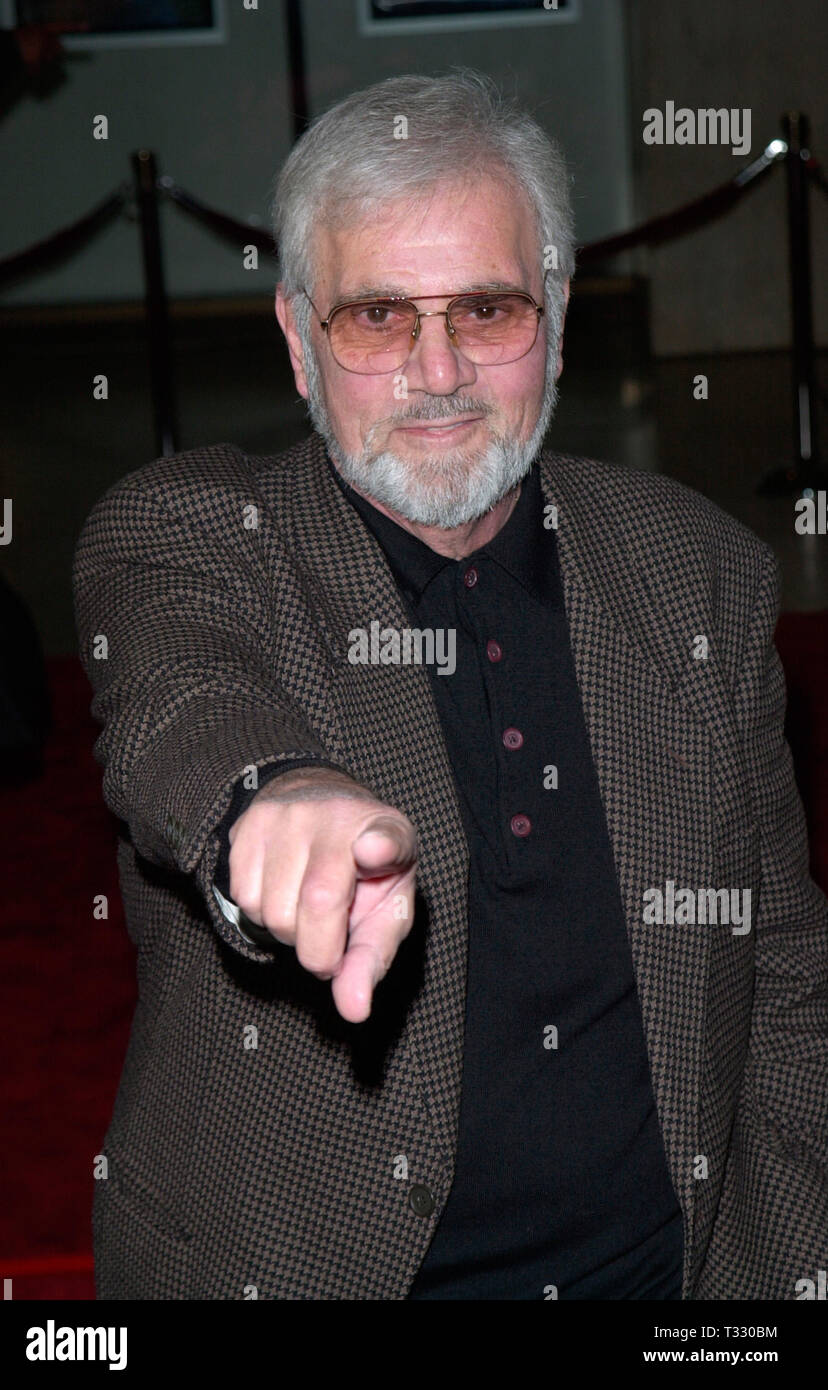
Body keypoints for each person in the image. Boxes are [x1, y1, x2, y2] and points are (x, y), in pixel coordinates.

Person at [72, 69, 827, 1300]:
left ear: (562, 317)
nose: (438, 372)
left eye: (486, 310)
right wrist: (276, 793)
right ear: (298, 341)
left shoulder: (702, 577)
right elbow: (182, 693)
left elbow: (787, 982)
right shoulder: (191, 533)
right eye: (376, 318)